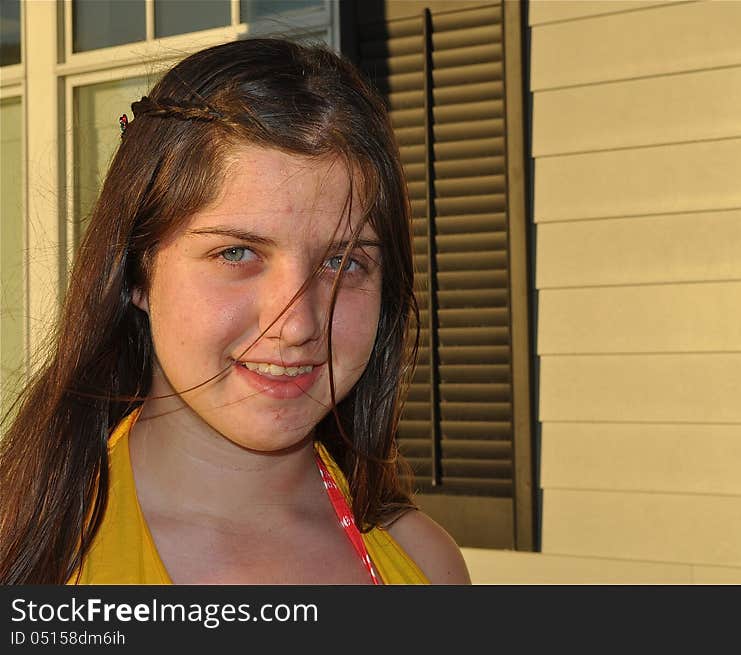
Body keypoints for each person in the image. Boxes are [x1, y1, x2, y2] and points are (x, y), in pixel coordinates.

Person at [0, 38, 471, 585]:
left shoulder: (427, 565)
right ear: (137, 271)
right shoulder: (30, 555)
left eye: (343, 262)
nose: (297, 324)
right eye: (236, 253)